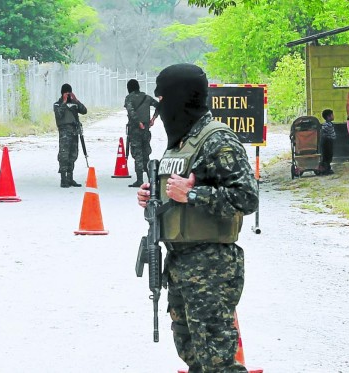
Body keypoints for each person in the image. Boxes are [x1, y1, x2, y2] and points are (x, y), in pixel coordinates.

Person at [136, 63, 259, 372]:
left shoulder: (217, 139)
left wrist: (192, 195)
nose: (160, 108)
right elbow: (177, 189)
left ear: (181, 97)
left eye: (163, 99)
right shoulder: (181, 142)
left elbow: (247, 197)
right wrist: (155, 196)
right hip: (180, 263)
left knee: (217, 359)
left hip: (211, 265)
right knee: (191, 353)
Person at [124, 78, 159, 187]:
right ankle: (151, 179)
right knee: (146, 154)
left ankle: (139, 180)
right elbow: (159, 106)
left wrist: (138, 123)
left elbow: (131, 111)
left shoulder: (129, 98)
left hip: (135, 129)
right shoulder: (146, 97)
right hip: (146, 129)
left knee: (137, 154)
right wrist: (153, 119)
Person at [53, 83, 87, 188]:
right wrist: (63, 102)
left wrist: (76, 100)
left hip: (74, 131)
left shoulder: (74, 104)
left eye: (69, 93)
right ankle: (63, 179)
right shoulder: (57, 104)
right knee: (64, 155)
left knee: (73, 154)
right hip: (64, 132)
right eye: (66, 93)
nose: (68, 95)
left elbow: (84, 111)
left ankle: (70, 178)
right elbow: (59, 115)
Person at [319, 109, 336, 175]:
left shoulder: (328, 124)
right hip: (327, 142)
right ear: (328, 117)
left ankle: (327, 168)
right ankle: (326, 169)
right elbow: (324, 130)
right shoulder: (327, 125)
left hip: (329, 141)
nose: (333, 116)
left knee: (329, 155)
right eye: (332, 115)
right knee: (327, 155)